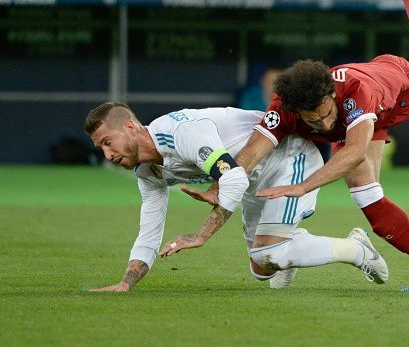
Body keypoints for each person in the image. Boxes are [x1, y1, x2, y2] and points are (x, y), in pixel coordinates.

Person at [230, 0, 409, 292]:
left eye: (325, 114)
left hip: (398, 84)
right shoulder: (286, 103)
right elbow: (253, 151)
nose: (321, 125)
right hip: (364, 116)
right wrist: (222, 186)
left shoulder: (355, 92)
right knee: (367, 195)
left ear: (331, 96)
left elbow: (353, 152)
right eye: (312, 121)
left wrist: (304, 187)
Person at [83, 103, 388, 292]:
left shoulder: (181, 134)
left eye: (108, 143)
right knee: (261, 271)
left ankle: (356, 249)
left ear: (130, 127)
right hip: (254, 179)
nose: (108, 155)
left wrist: (201, 235)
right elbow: (149, 228)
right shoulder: (148, 172)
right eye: (101, 149)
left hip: (289, 157)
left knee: (266, 254)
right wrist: (126, 283)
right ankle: (288, 242)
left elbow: (233, 178)